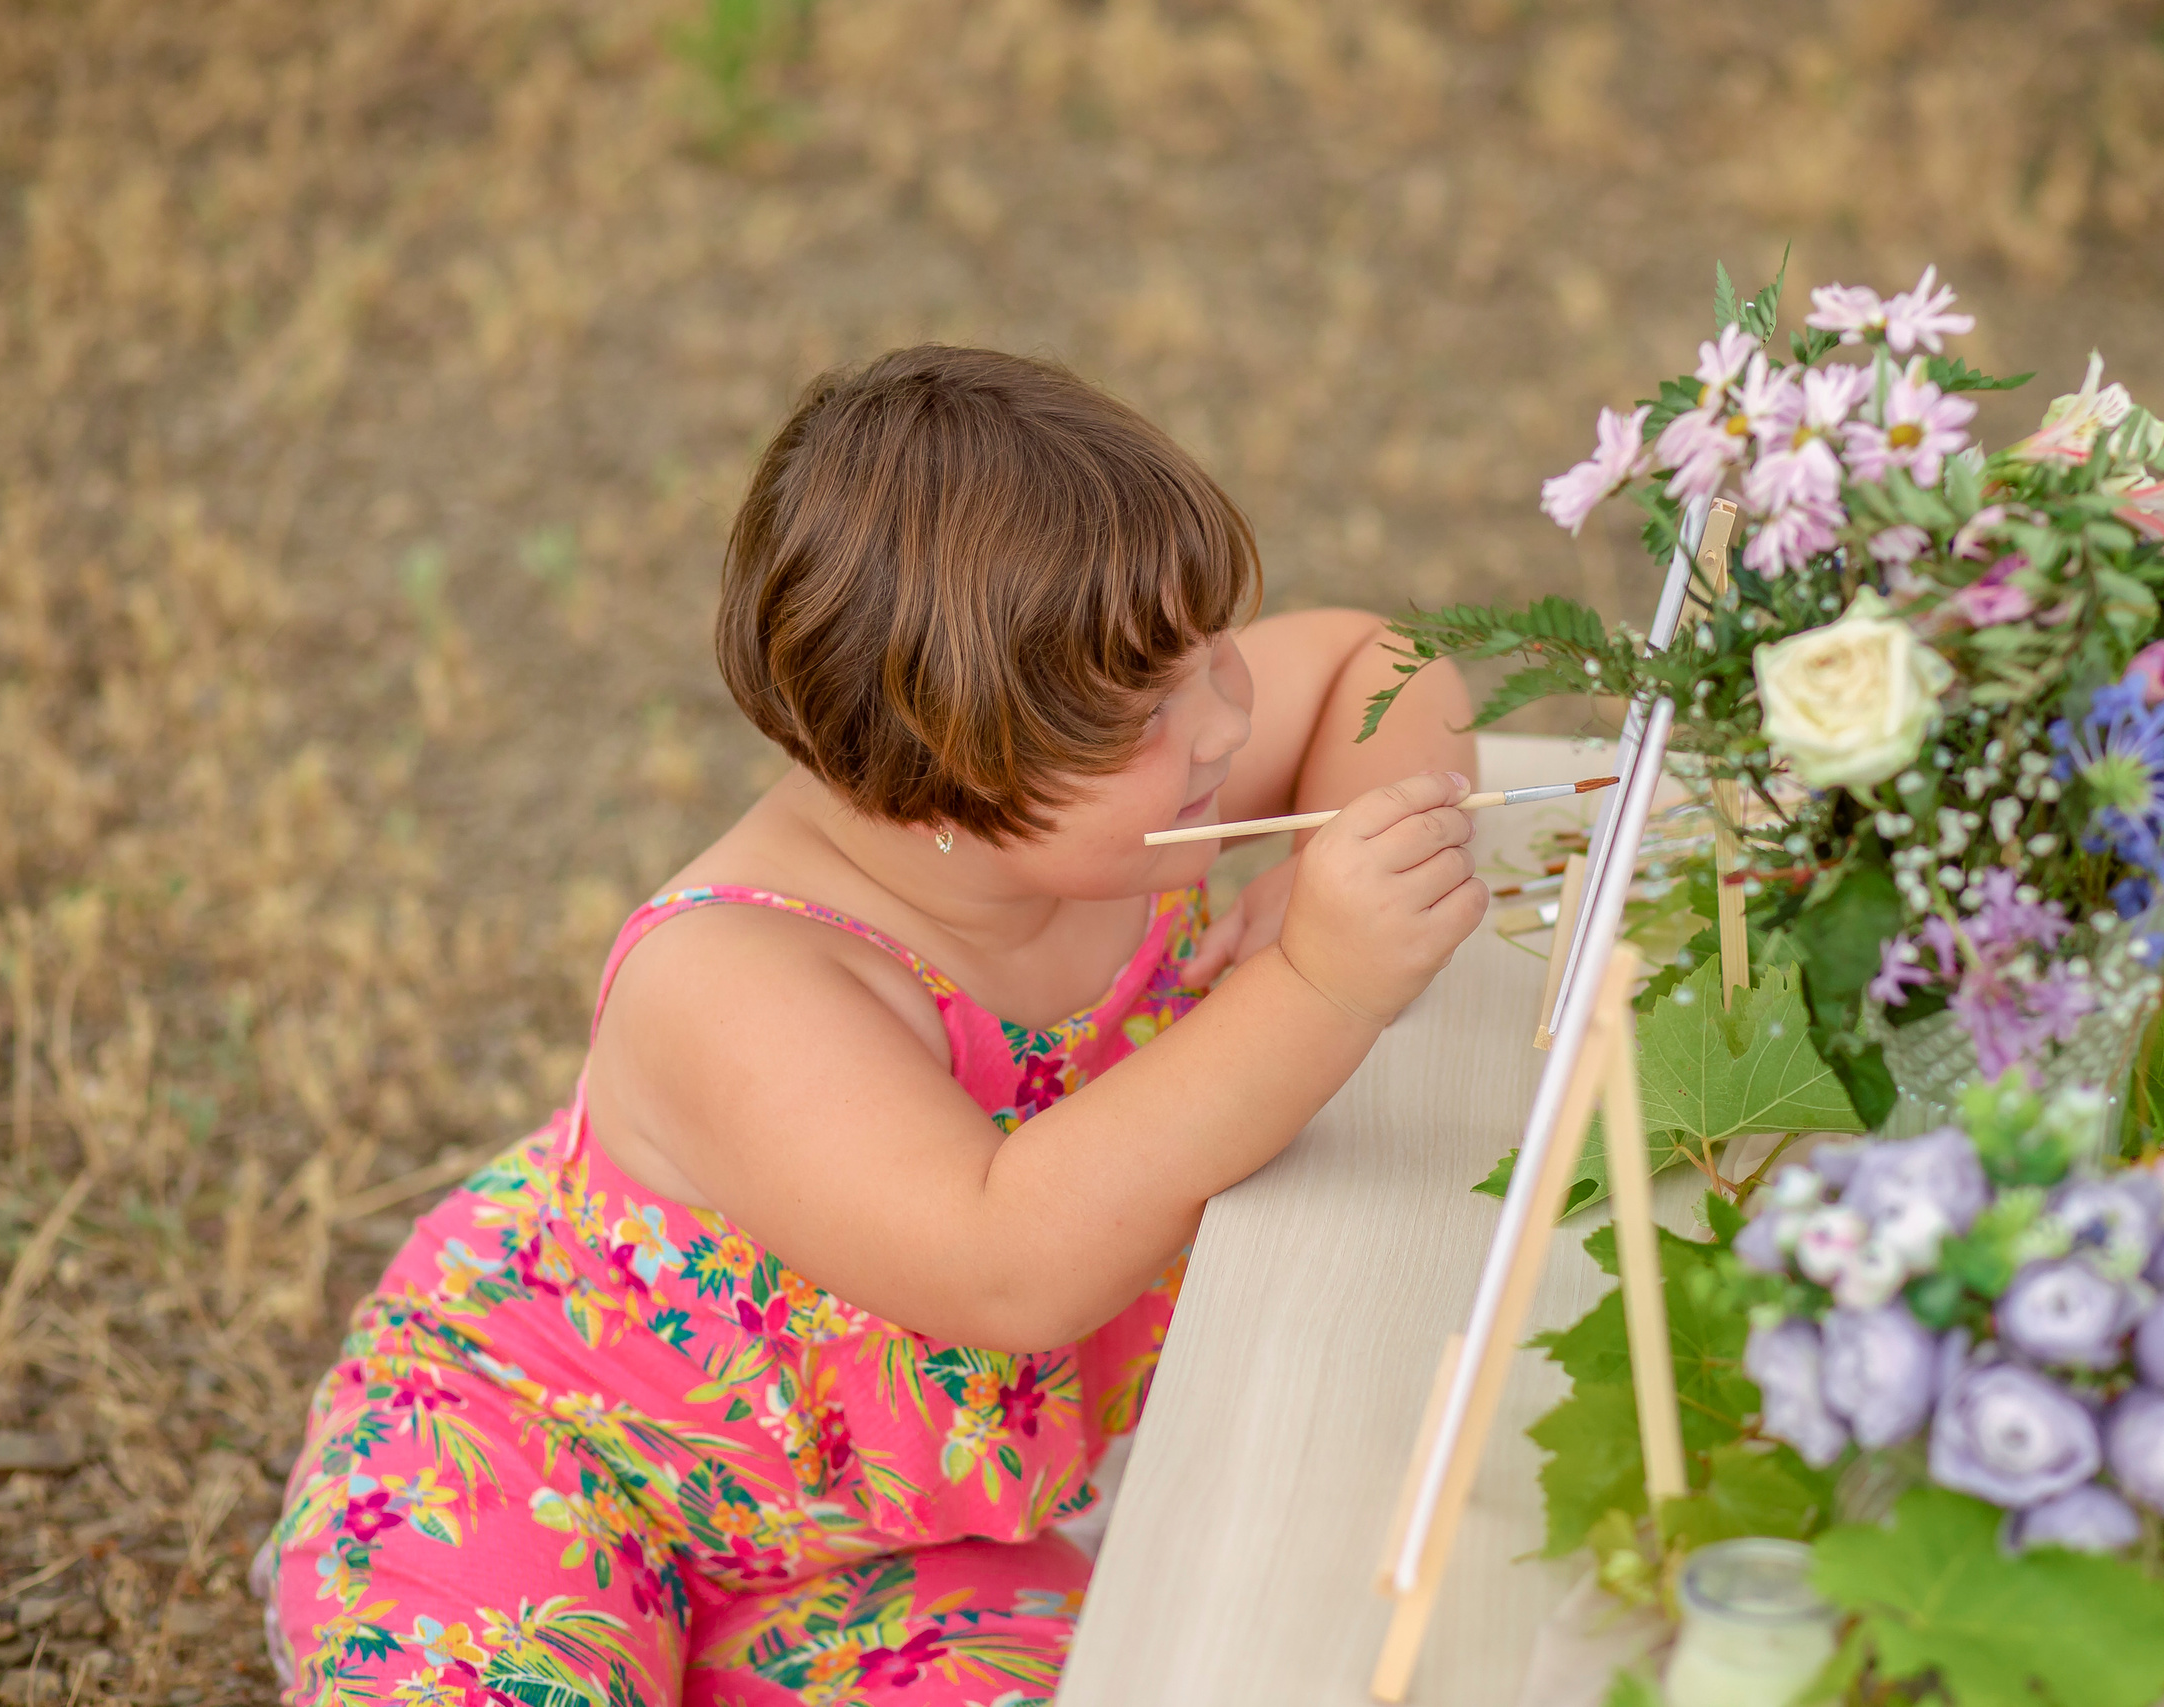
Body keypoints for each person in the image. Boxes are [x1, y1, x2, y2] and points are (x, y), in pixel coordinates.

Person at [254, 346, 1486, 1706]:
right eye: (1143, 711)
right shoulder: (737, 978)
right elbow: (1009, 1268)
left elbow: (1389, 659)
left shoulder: (1123, 808)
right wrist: (1315, 985)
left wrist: (1350, 841)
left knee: (1152, 1676)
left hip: (879, 1541)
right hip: (544, 1464)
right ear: (937, 792)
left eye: (1210, 651)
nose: (1214, 727)